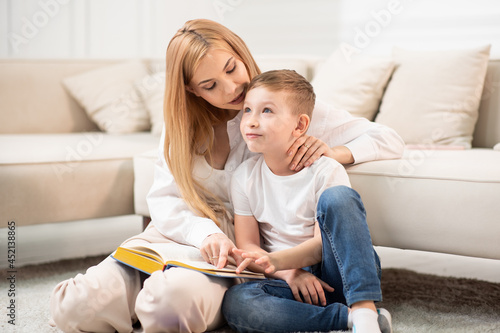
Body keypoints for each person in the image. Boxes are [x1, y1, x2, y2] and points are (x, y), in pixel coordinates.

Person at [50, 18, 404, 333]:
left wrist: (331, 151)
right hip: (180, 238)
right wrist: (204, 234)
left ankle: (361, 315)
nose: (232, 88)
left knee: (167, 306)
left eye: (232, 68)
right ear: (191, 89)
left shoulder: (278, 105)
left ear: (240, 51)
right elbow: (165, 202)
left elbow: (387, 138)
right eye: (210, 85)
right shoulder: (181, 131)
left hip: (234, 256)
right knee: (74, 308)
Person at [222, 69, 391, 333]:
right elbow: (248, 245)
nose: (251, 121)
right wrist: (288, 272)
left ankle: (364, 310)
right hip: (287, 280)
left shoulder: (325, 170)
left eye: (266, 111)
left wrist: (279, 260)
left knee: (339, 197)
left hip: (337, 272)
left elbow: (320, 247)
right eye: (247, 110)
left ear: (300, 125)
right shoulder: (244, 177)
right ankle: (346, 319)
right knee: (239, 301)